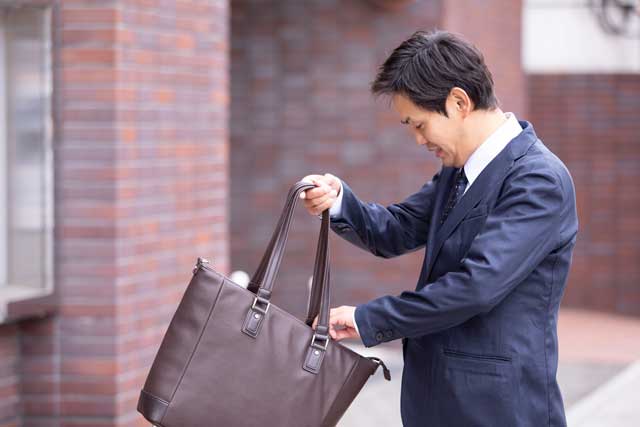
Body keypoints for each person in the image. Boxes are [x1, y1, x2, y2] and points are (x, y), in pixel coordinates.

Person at [301, 30, 578, 427]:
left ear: (459, 102)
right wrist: (339, 201)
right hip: (437, 403)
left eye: (419, 124)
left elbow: (476, 286)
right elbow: (397, 229)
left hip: (499, 409)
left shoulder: (539, 180)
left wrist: (368, 319)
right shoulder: (458, 172)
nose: (418, 140)